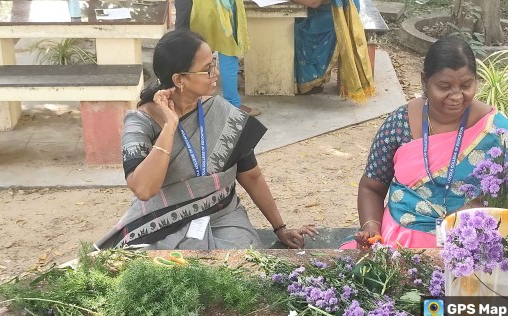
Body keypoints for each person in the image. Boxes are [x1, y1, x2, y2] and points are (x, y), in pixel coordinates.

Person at [97, 30, 316, 250]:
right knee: (161, 265)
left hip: (223, 218)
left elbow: (251, 175)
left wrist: (280, 228)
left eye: (214, 64)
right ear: (179, 79)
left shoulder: (221, 112)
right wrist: (170, 126)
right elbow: (143, 189)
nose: (216, 73)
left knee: (243, 258)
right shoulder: (140, 122)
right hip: (162, 224)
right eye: (207, 69)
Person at [342, 36, 508, 249]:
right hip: (395, 245)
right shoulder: (400, 123)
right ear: (424, 80)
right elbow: (371, 187)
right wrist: (372, 227)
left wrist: (495, 227)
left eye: (466, 85)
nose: (456, 96)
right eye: (444, 86)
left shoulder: (500, 134)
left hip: (468, 251)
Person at [292, 0, 375, 102]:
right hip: (333, 8)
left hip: (337, 13)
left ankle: (311, 81)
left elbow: (314, 2)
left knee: (296, 27)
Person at [188, 0, 260, 116]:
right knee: (228, 54)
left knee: (200, 54)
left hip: (200, 7)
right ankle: (232, 104)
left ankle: (200, 104)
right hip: (221, 8)